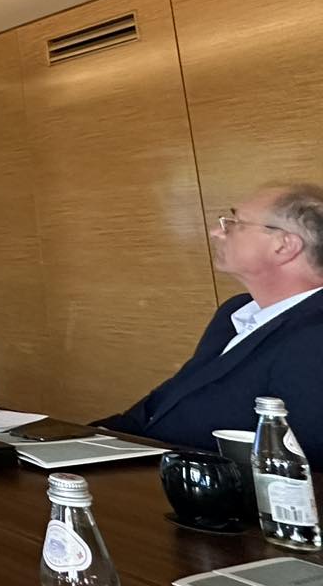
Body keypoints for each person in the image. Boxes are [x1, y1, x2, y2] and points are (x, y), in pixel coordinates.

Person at [97, 184, 323, 454]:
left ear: (284, 245)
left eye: (235, 224)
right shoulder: (235, 311)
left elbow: (304, 463)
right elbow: (164, 405)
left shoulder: (315, 336)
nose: (217, 232)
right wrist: (86, 438)